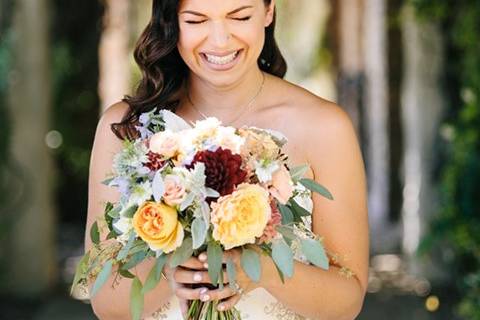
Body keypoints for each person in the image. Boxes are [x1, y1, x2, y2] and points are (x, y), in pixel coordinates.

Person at [85, 0, 369, 319]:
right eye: (196, 20)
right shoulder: (127, 129)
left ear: (269, 10)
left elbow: (348, 300)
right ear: (171, 21)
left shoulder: (324, 127)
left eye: (240, 16)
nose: (220, 41)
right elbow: (105, 302)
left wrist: (262, 270)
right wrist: (170, 270)